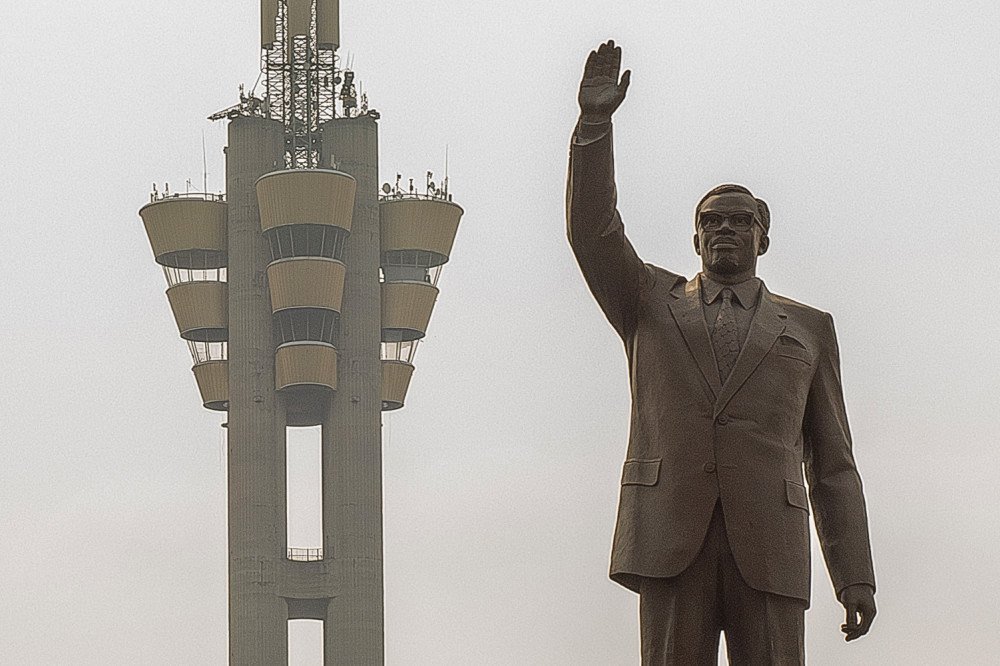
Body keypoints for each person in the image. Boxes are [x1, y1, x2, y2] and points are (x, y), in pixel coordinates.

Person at [567, 40, 876, 665]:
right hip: (669, 534)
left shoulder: (809, 330)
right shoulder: (648, 304)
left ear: (763, 237)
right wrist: (595, 127)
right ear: (696, 236)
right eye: (712, 221)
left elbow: (833, 463)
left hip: (770, 545)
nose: (724, 230)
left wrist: (855, 575)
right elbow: (592, 230)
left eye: (739, 221)